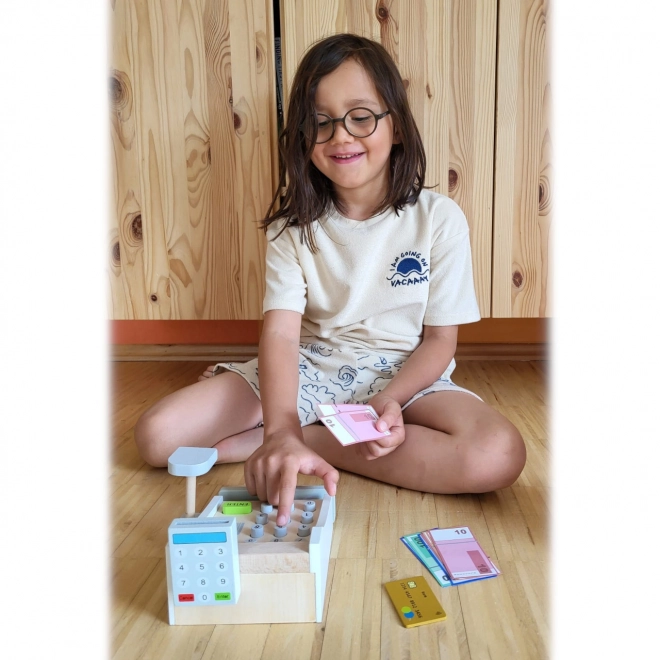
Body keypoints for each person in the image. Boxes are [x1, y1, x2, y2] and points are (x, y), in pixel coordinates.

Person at [134, 33, 526, 527]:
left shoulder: (439, 218)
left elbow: (441, 340)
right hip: (309, 369)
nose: (341, 136)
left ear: (397, 126)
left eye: (360, 116)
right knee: (156, 437)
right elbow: (280, 332)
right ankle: (289, 433)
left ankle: (312, 440)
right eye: (320, 122)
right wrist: (280, 424)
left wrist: (390, 399)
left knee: (498, 455)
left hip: (404, 378)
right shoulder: (291, 226)